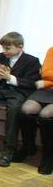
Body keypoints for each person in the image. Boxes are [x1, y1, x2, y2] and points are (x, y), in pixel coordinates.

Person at [0, 32, 41, 167]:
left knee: (14, 110)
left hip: (17, 92)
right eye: (3, 47)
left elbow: (31, 83)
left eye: (8, 48)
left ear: (20, 46)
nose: (4, 51)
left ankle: (8, 150)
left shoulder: (32, 61)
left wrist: (10, 78)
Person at [21, 46, 53, 174]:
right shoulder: (52, 50)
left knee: (45, 114)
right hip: (47, 90)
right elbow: (46, 73)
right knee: (26, 110)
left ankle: (48, 155)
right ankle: (28, 146)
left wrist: (48, 82)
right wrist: (48, 82)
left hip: (47, 85)